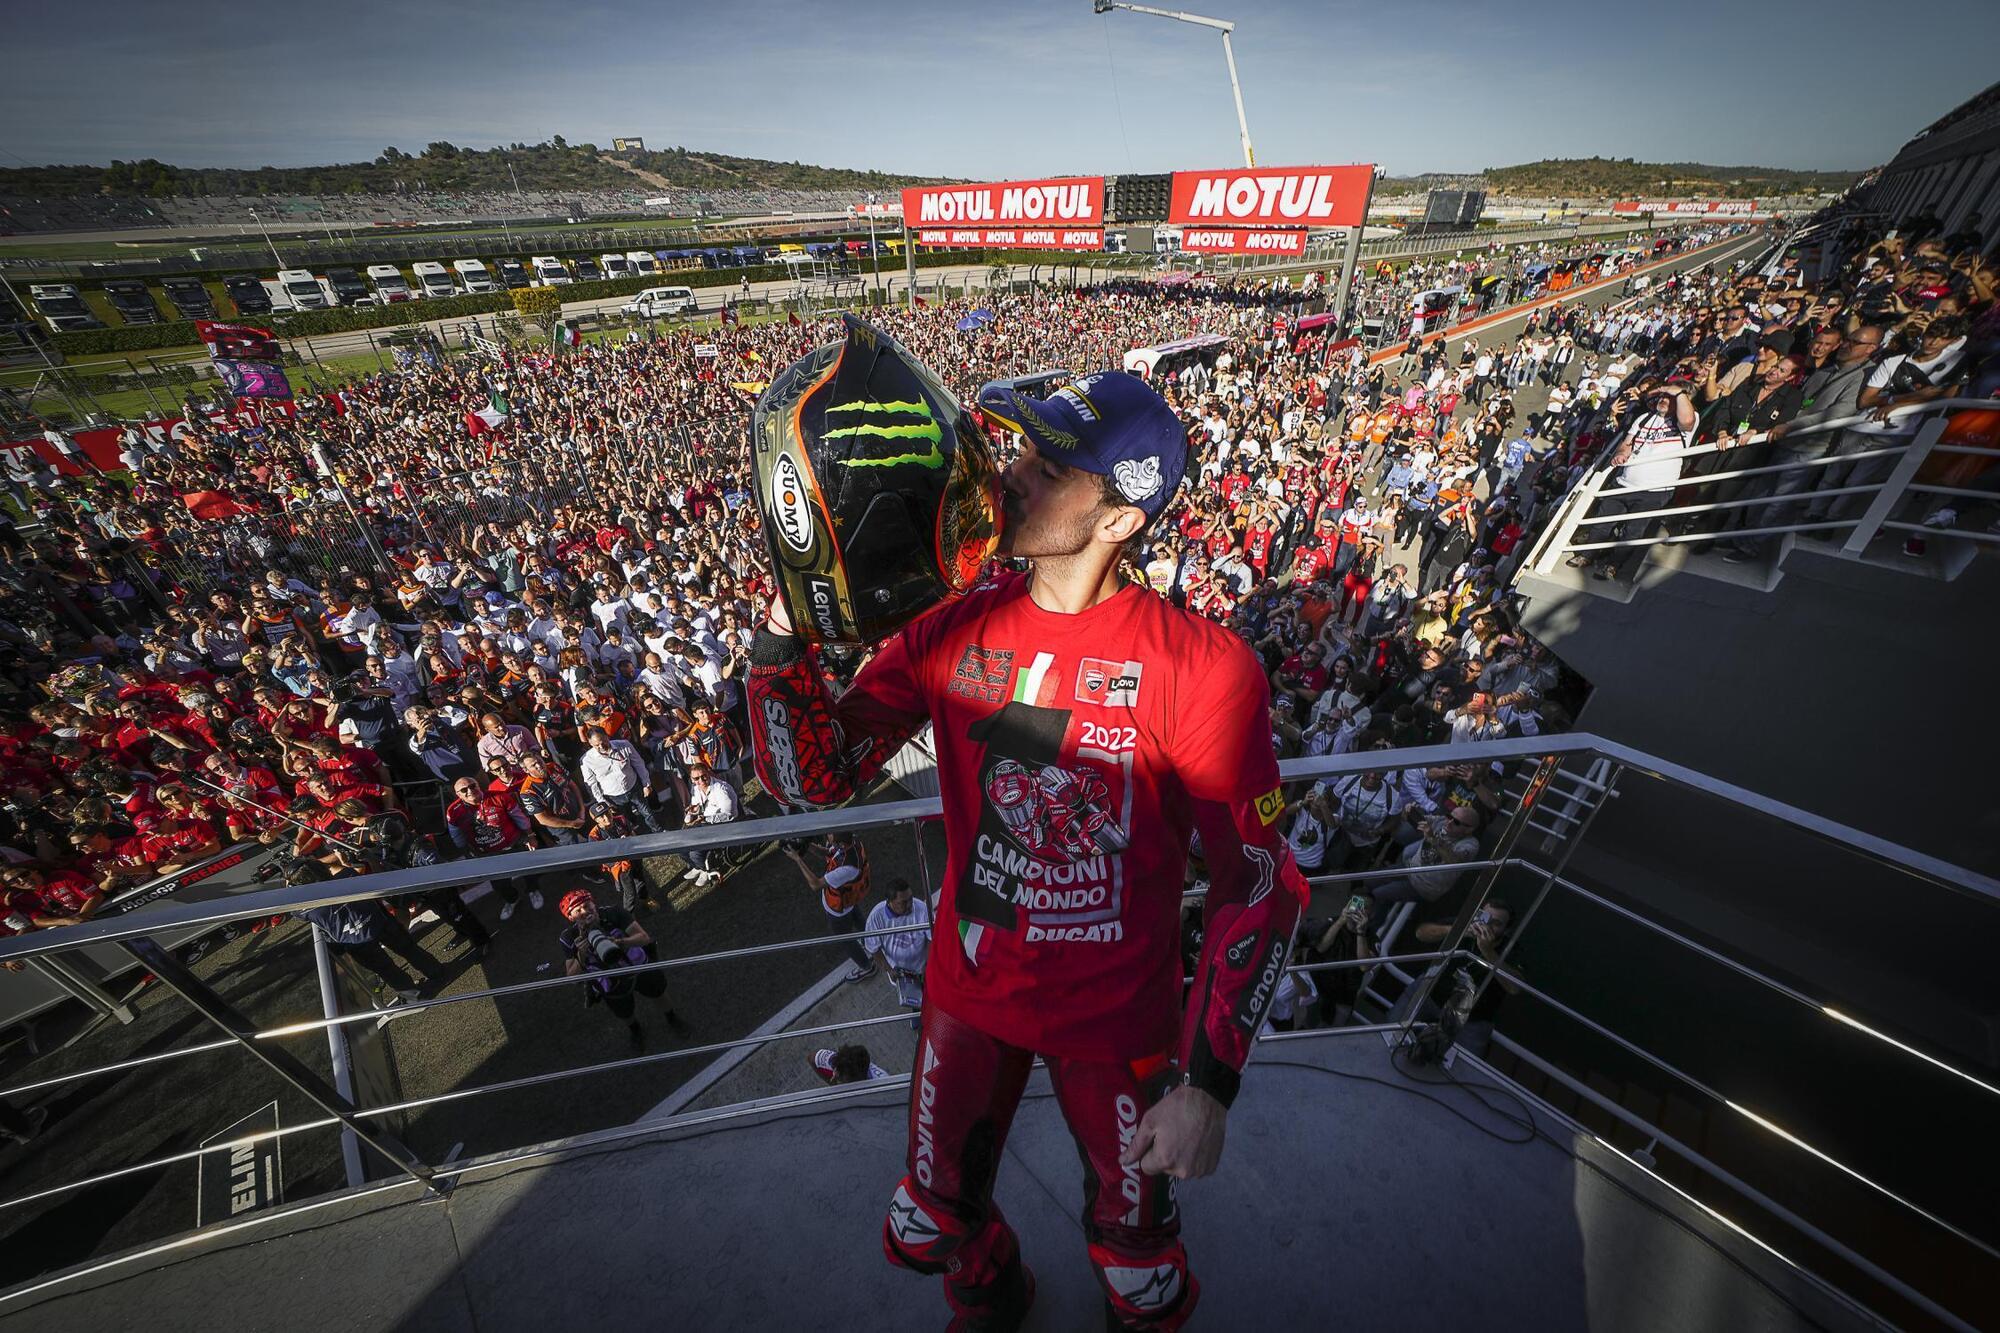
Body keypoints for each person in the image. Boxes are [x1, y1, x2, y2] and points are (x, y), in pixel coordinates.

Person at [748, 369, 1306, 1330]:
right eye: (1020, 452)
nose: (1009, 477)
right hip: (968, 997)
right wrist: (785, 619)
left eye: (1048, 470)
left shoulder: (1208, 670)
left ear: (1120, 520)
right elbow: (813, 776)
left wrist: (1209, 1082)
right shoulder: (948, 617)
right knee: (926, 1226)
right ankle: (996, 1291)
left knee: (1139, 1269)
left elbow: (1260, 885)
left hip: (1121, 1027)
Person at [556, 887, 683, 1048]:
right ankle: (635, 1029)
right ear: (570, 917)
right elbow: (572, 977)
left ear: (594, 904)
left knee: (658, 993)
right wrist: (581, 953)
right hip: (610, 982)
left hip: (638, 966)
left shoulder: (613, 913)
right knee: (624, 1011)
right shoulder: (569, 938)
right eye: (578, 910)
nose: (585, 912)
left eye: (587, 906)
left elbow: (644, 938)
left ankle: (671, 1017)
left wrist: (622, 942)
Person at [863, 876, 931, 1024]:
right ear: (890, 902)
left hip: (923, 968)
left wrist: (929, 964)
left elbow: (933, 938)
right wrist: (888, 969)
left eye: (911, 899)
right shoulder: (876, 918)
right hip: (900, 973)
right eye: (904, 902)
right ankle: (917, 1016)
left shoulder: (921, 910)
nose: (910, 905)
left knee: (930, 995)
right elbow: (873, 949)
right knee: (914, 1000)